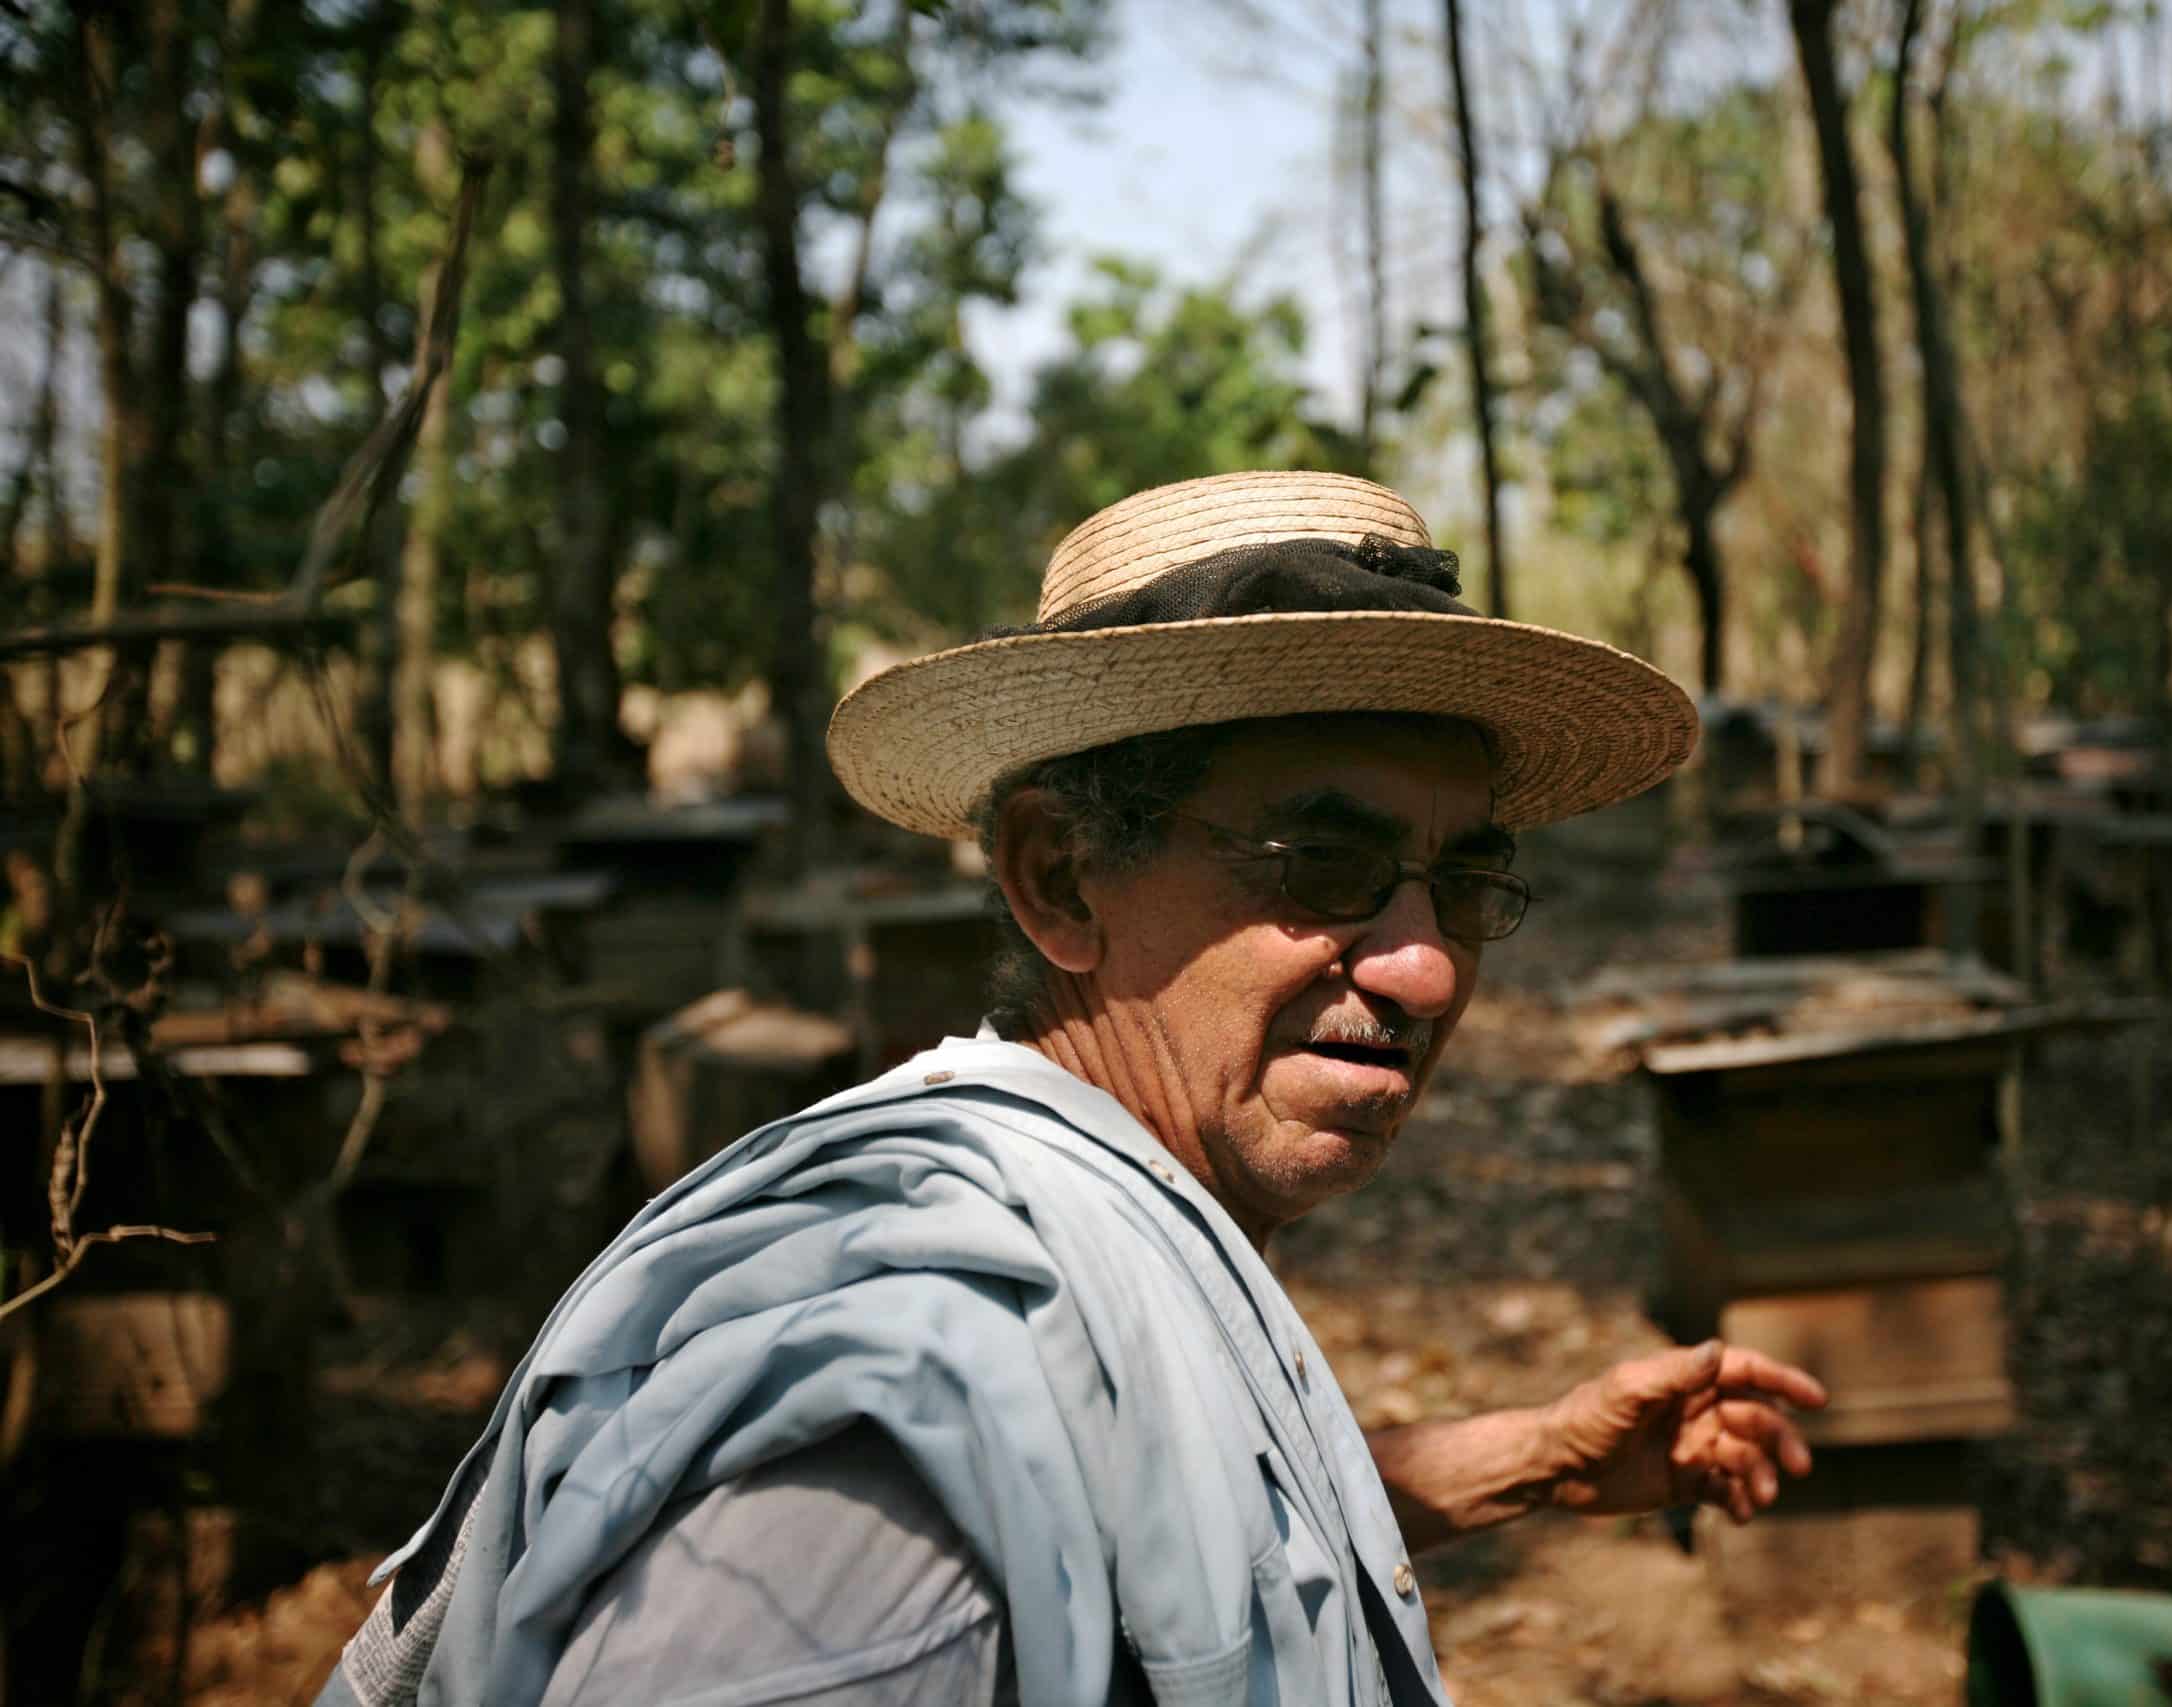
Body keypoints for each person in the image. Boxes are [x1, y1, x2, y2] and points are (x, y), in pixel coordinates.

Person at [317, 471, 1827, 1707]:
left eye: (1462, 879)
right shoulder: (907, 1400)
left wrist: (1520, 1464)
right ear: (1058, 878)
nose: (1427, 967)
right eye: (1326, 863)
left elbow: (1124, 1537)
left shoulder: (1091, 1242)